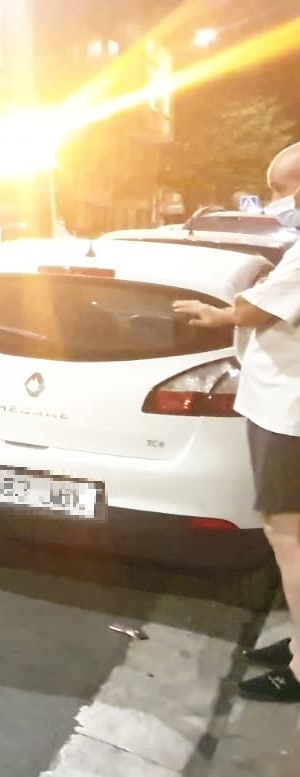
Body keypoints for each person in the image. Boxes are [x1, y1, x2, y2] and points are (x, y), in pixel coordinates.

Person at [174, 140, 300, 703]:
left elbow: (254, 309)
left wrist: (216, 314)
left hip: (290, 412)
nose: (279, 202)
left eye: (282, 189)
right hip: (279, 405)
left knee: (290, 537)